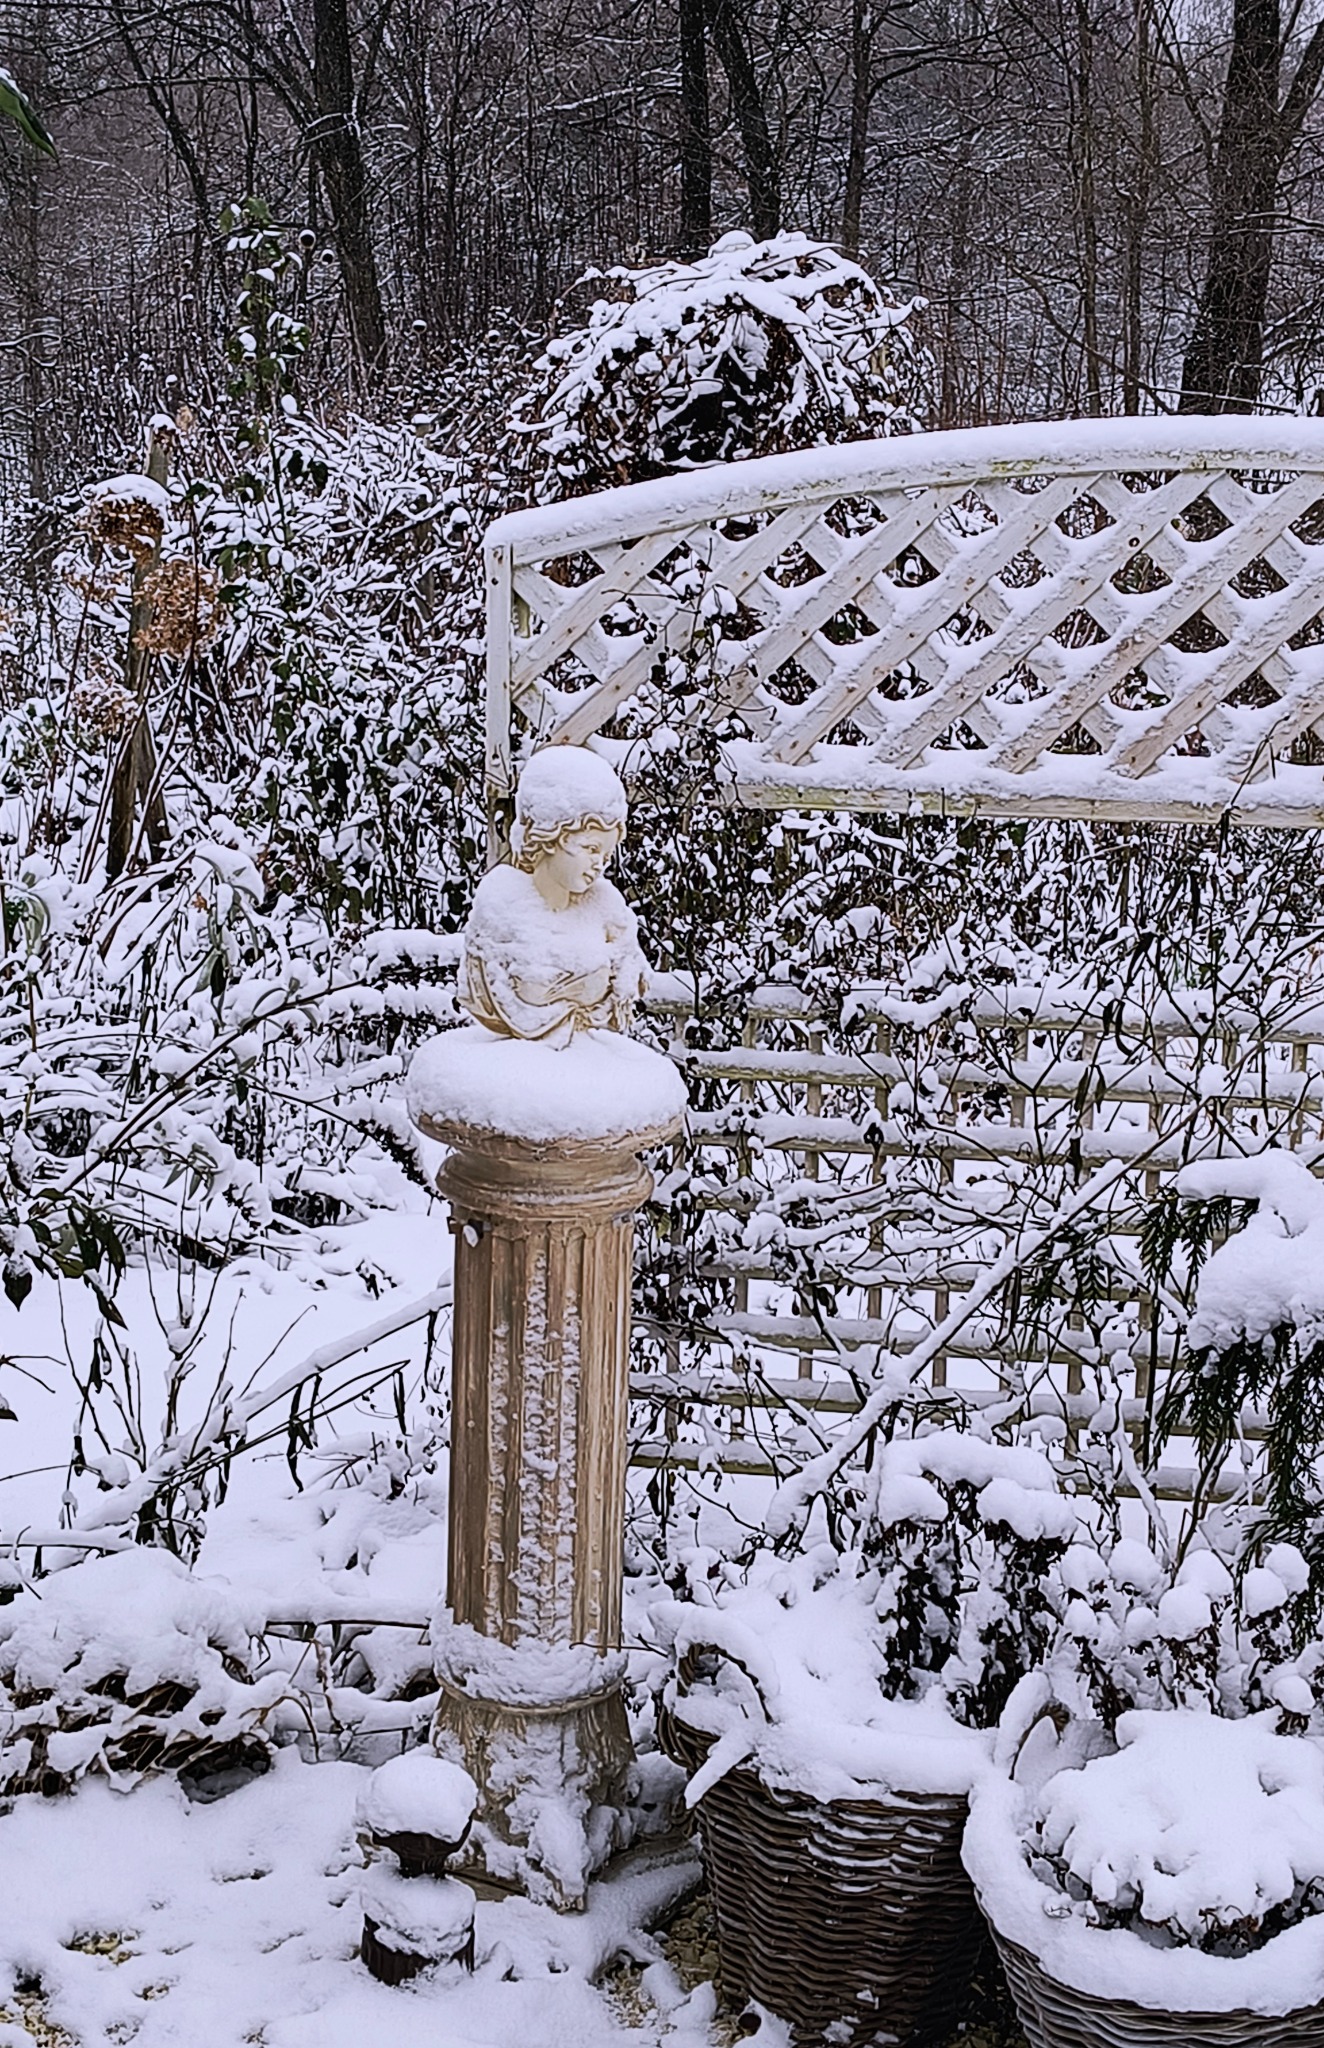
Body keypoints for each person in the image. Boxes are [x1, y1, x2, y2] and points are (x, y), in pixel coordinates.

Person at [459, 747, 648, 1047]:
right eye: (590, 848)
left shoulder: (606, 908)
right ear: (551, 838)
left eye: (607, 854)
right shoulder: (500, 905)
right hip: (519, 1068)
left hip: (585, 1063)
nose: (599, 864)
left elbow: (630, 976)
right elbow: (486, 988)